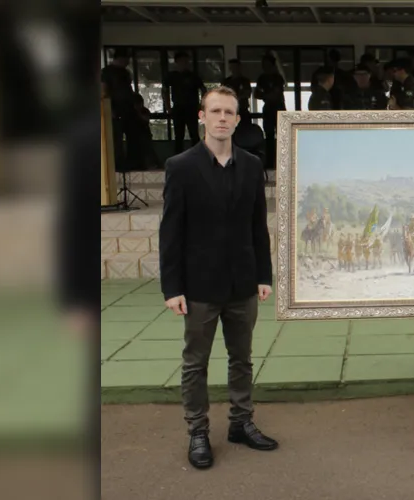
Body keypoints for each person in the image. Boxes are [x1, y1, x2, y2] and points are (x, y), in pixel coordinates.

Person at [159, 86, 278, 470]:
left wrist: (264, 274)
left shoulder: (251, 165)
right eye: (216, 111)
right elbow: (170, 232)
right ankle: (197, 431)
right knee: (196, 362)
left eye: (229, 112)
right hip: (198, 287)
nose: (222, 118)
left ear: (239, 120)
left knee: (241, 358)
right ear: (202, 116)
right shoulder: (181, 167)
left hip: (243, 283)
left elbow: (258, 227)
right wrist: (172, 287)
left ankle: (241, 423)